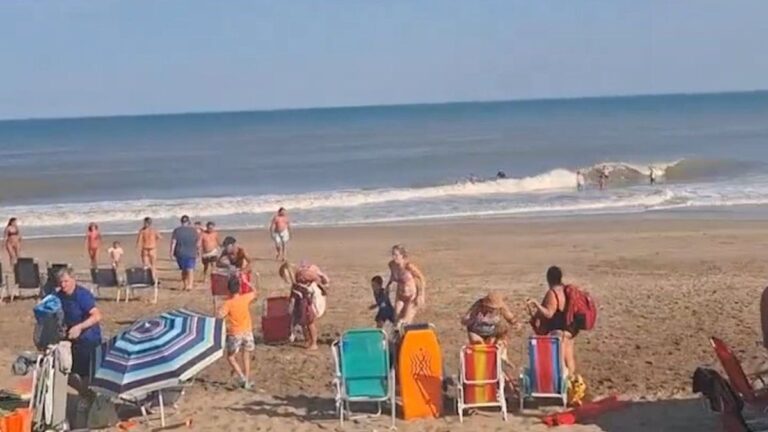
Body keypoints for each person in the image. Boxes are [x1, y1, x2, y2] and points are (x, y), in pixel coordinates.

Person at [55, 268, 102, 399]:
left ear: (73, 280)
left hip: (88, 339)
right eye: (61, 282)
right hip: (70, 340)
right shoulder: (59, 296)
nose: (63, 285)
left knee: (86, 373)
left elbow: (97, 316)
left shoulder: (82, 295)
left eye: (66, 281)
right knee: (65, 370)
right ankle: (85, 394)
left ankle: (89, 397)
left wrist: (79, 328)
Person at [526, 266, 578, 373]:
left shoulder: (553, 293)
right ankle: (571, 380)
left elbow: (549, 314)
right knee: (569, 359)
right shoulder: (566, 290)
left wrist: (535, 304)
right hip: (570, 328)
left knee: (560, 361)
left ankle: (562, 382)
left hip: (558, 331)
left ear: (548, 278)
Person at [217, 273, 257, 390]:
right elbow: (255, 292)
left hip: (235, 333)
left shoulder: (228, 303)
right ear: (239, 288)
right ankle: (247, 379)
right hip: (247, 331)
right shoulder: (245, 298)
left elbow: (219, 316)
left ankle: (241, 377)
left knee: (231, 357)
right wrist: (247, 282)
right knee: (246, 356)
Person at [280, 261, 329, 350]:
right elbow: (294, 289)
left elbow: (319, 279)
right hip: (303, 298)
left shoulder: (302, 274)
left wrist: (310, 287)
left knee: (310, 321)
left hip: (311, 299)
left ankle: (314, 343)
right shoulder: (296, 278)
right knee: (302, 320)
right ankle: (308, 340)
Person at [386, 245, 426, 328]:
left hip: (411, 297)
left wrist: (421, 295)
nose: (394, 257)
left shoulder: (408, 266)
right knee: (396, 320)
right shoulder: (391, 265)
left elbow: (421, 278)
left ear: (402, 256)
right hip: (400, 296)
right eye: (393, 254)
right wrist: (388, 285)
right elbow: (393, 276)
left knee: (405, 322)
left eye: (396, 255)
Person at [170, 215, 200, 291]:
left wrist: (171, 252)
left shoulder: (177, 230)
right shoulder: (194, 231)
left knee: (184, 270)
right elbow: (198, 243)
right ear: (188, 221)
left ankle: (186, 284)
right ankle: (190, 285)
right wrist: (198, 251)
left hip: (180, 253)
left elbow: (173, 242)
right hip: (191, 252)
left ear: (181, 221)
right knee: (190, 269)